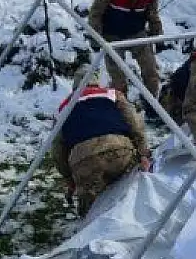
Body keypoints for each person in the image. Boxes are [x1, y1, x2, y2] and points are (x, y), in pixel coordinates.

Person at [52, 67, 151, 215]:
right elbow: (135, 123)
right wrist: (143, 153)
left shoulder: (64, 107)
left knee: (90, 209)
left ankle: (88, 230)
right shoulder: (112, 94)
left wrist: (69, 178)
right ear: (97, 82)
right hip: (119, 149)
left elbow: (57, 148)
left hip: (83, 159)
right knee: (129, 190)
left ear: (75, 86)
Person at [88, 0, 163, 98]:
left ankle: (152, 108)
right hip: (112, 35)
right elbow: (97, 10)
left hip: (137, 33)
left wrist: (158, 35)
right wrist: (95, 36)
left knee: (151, 72)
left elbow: (152, 13)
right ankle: (122, 111)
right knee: (118, 80)